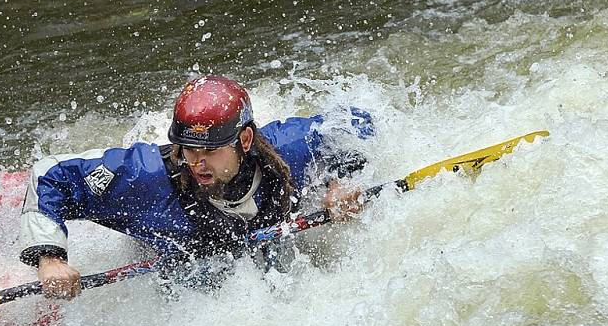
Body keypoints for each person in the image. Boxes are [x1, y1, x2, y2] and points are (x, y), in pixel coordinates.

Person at [19, 75, 374, 298]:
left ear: (246, 139)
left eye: (209, 150)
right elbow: (50, 175)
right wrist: (50, 259)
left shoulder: (289, 150)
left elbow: (357, 122)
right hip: (175, 279)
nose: (196, 163)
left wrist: (341, 181)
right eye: (189, 149)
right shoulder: (144, 178)